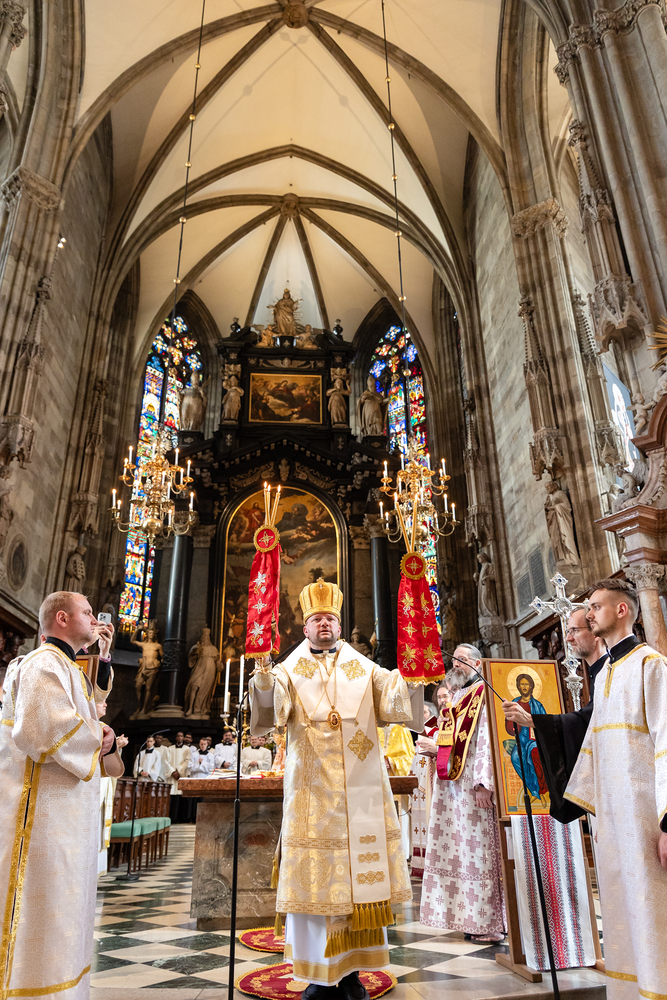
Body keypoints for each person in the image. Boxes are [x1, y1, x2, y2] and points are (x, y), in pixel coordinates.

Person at [249, 579, 423, 1000]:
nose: (324, 624)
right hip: (310, 796)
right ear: (305, 628)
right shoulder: (288, 670)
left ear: (340, 626)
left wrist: (418, 671)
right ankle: (317, 976)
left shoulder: (365, 668)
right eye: (317, 619)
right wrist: (263, 676)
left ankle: (352, 975)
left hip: (359, 797)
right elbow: (271, 712)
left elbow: (396, 700)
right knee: (315, 888)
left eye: (330, 618)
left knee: (360, 887)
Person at [0, 592, 121, 999]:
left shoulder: (66, 666)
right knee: (45, 910)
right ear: (63, 618)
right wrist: (99, 736)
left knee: (66, 912)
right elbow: (44, 729)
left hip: (66, 815)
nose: (95, 619)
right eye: (87, 612)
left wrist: (97, 729)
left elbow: (89, 705)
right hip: (42, 819)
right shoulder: (43, 663)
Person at [564, 579, 667, 998]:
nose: (589, 614)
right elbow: (592, 747)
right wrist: (582, 805)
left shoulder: (651, 665)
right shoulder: (605, 672)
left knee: (652, 906)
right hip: (611, 821)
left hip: (646, 819)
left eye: (595, 606)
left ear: (622, 610)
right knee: (622, 908)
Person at [418, 644, 505, 942]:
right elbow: (453, 741)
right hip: (453, 787)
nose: (456, 663)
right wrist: (436, 750)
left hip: (471, 787)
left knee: (480, 852)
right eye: (454, 659)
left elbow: (487, 739)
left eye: (463, 659)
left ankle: (490, 923)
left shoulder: (483, 692)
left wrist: (484, 783)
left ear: (478, 664)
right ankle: (471, 918)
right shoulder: (457, 697)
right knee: (461, 852)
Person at [502, 607, 607, 821]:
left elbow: (589, 720)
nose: (568, 638)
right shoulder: (598, 672)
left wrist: (533, 720)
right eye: (567, 632)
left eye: (574, 631)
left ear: (596, 632)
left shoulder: (612, 670)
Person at [505, 673, 547, 799]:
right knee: (515, 757)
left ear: (531, 686)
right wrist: (511, 725)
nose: (524, 687)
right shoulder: (514, 703)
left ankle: (541, 788)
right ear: (518, 686)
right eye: (522, 684)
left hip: (535, 739)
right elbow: (509, 725)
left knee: (535, 752)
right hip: (521, 740)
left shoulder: (537, 705)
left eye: (526, 684)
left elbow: (546, 724)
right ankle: (532, 789)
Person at [164, 731, 192, 821]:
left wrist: (179, 771)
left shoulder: (187, 749)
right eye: (178, 736)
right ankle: (171, 818)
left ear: (183, 738)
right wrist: (173, 772)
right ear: (176, 738)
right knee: (172, 796)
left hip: (181, 776)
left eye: (181, 736)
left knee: (180, 796)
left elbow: (187, 761)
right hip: (172, 776)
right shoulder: (170, 749)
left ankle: (180, 818)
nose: (179, 737)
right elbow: (166, 762)